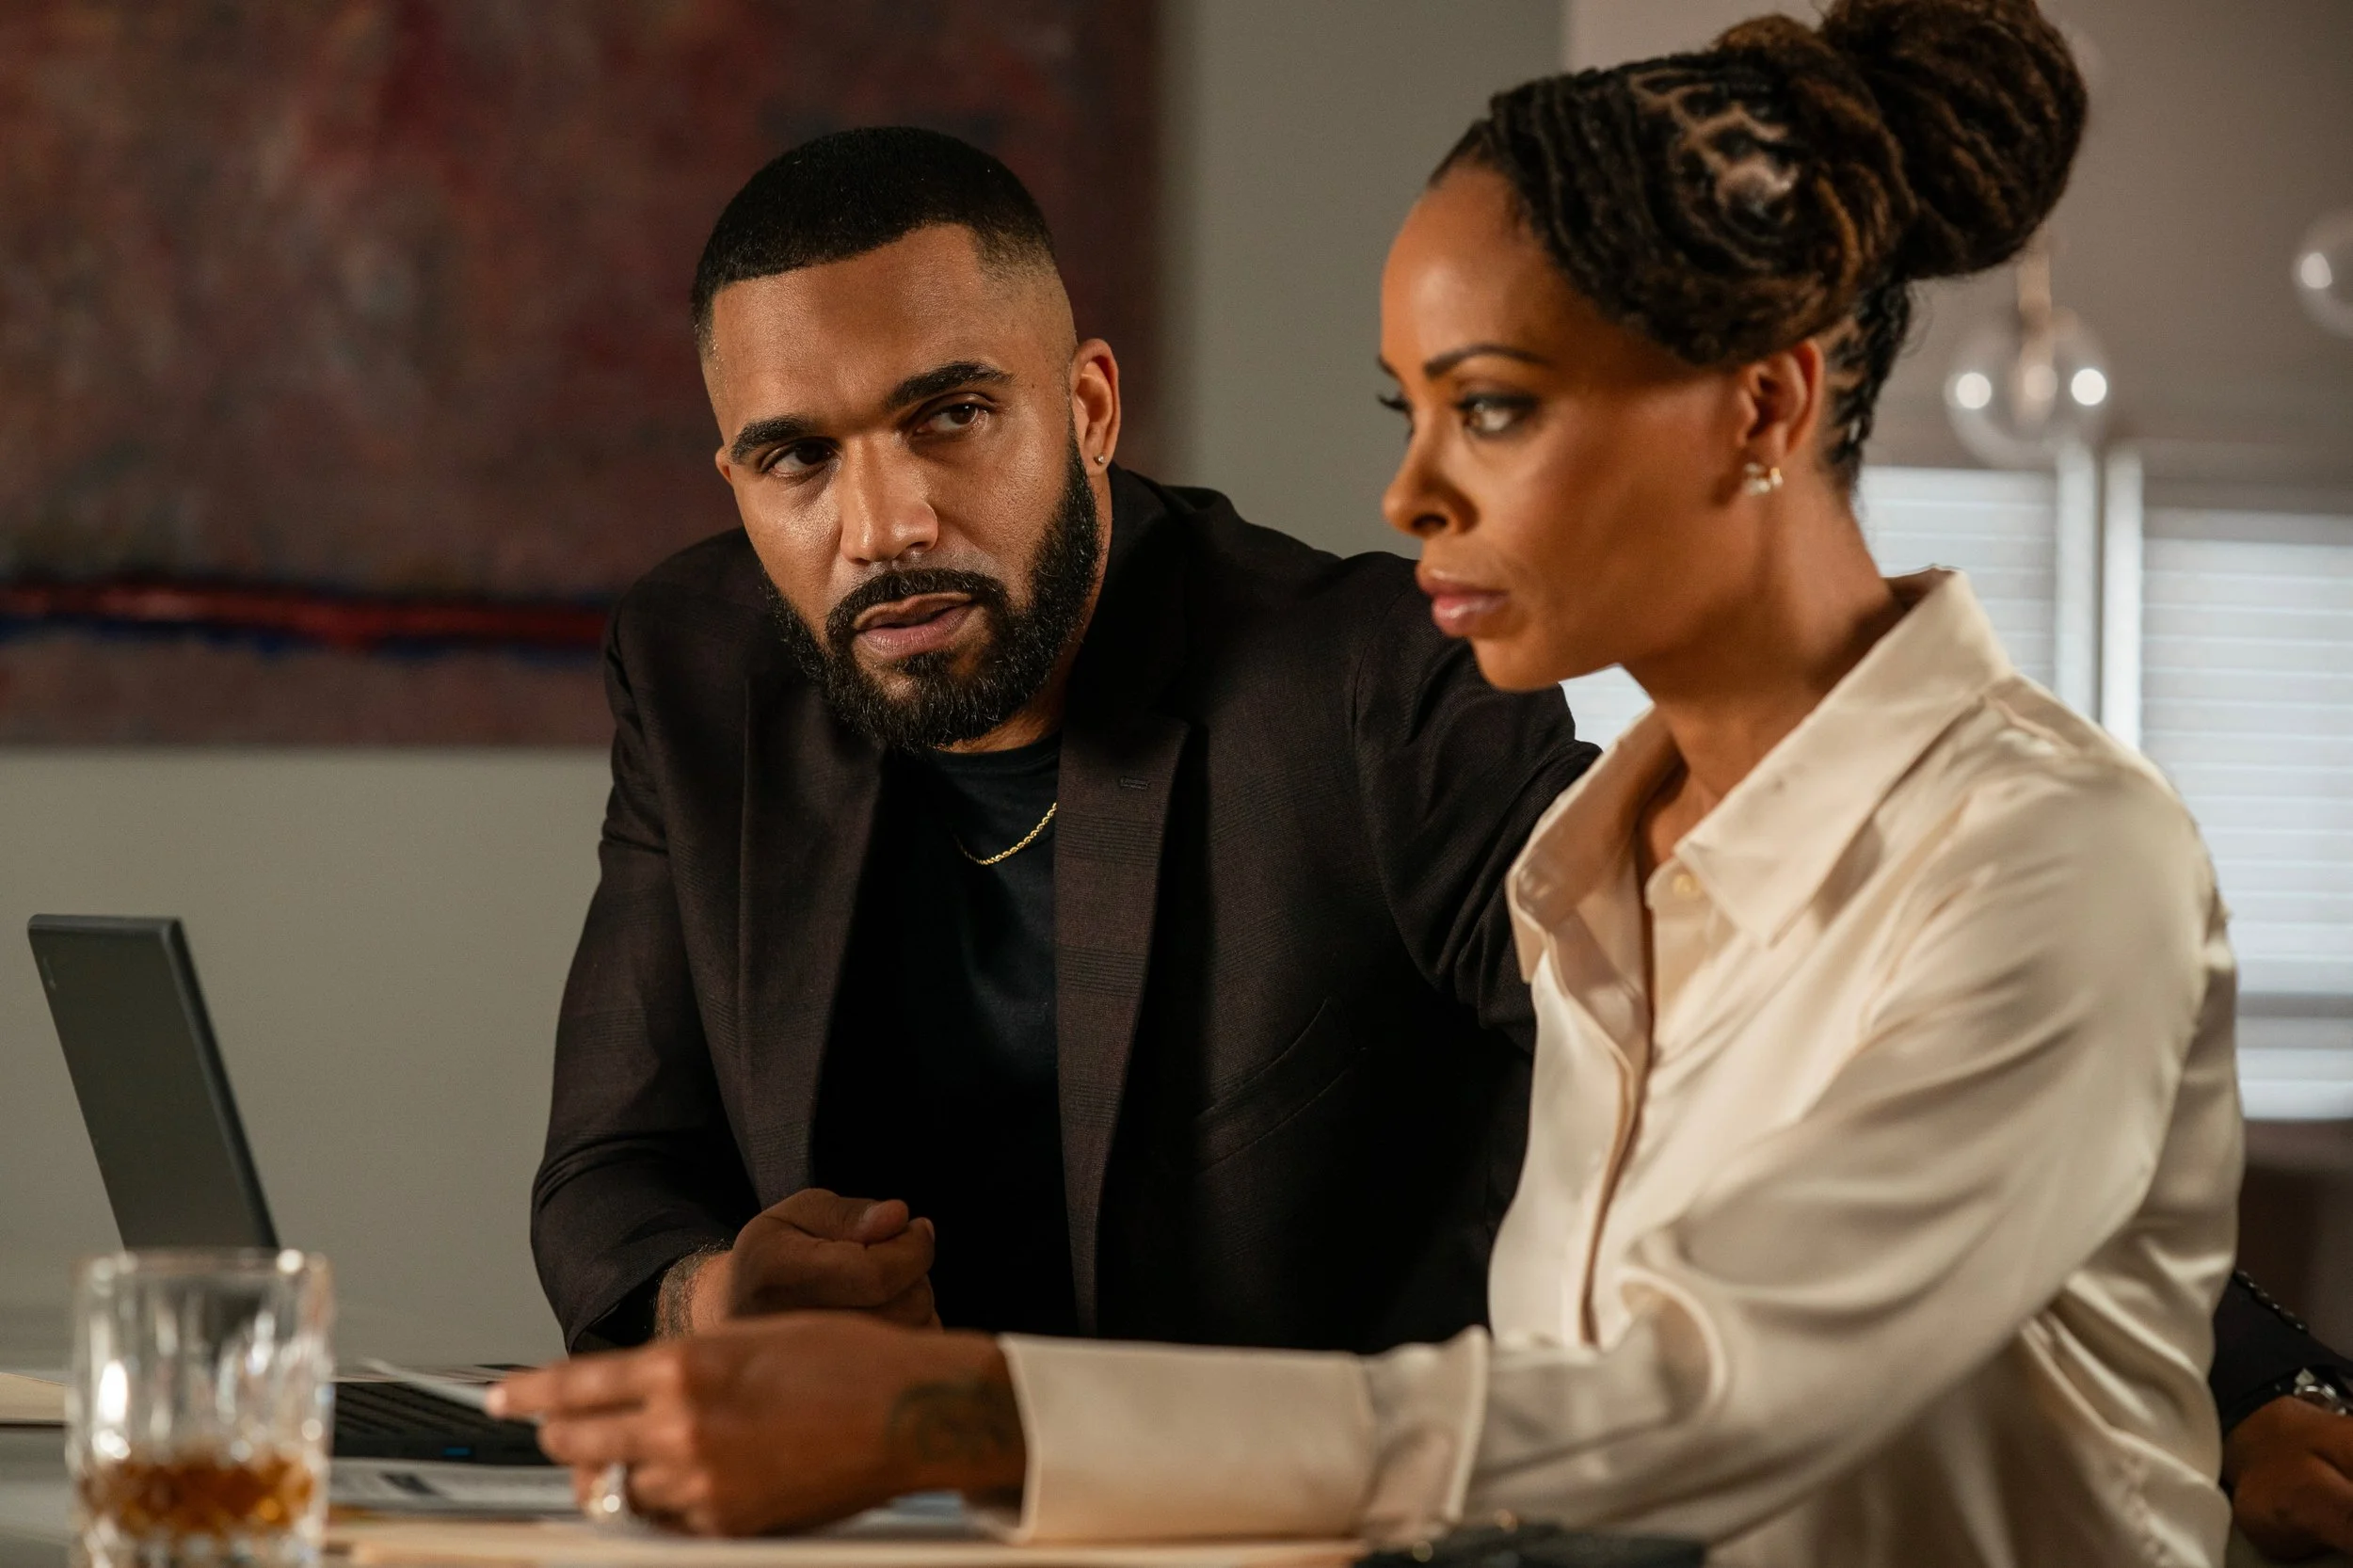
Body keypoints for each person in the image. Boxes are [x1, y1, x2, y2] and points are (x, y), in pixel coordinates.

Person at [522, 100, 2353, 1565]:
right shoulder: (698, 665)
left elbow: (1789, 1074)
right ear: (736, 479)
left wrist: (2263, 1385)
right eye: (798, 457)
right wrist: (714, 1294)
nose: (884, 521)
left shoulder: (1362, 684)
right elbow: (614, 1164)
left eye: (948, 417)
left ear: (1085, 409)